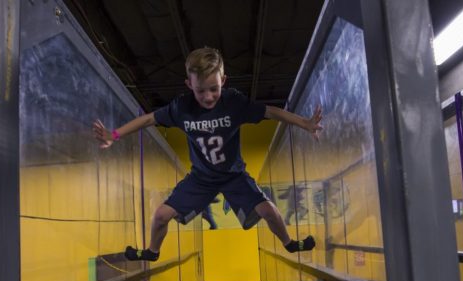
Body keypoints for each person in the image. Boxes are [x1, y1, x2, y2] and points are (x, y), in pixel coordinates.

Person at [93, 47, 322, 261]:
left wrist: (305, 123)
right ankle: (153, 252)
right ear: (189, 84)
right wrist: (114, 134)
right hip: (201, 178)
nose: (209, 96)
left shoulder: (233, 103)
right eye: (201, 90)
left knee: (270, 211)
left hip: (234, 176)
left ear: (223, 81)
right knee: (160, 216)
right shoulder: (182, 108)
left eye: (214, 89)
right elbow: (149, 118)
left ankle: (290, 243)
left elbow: (270, 112)